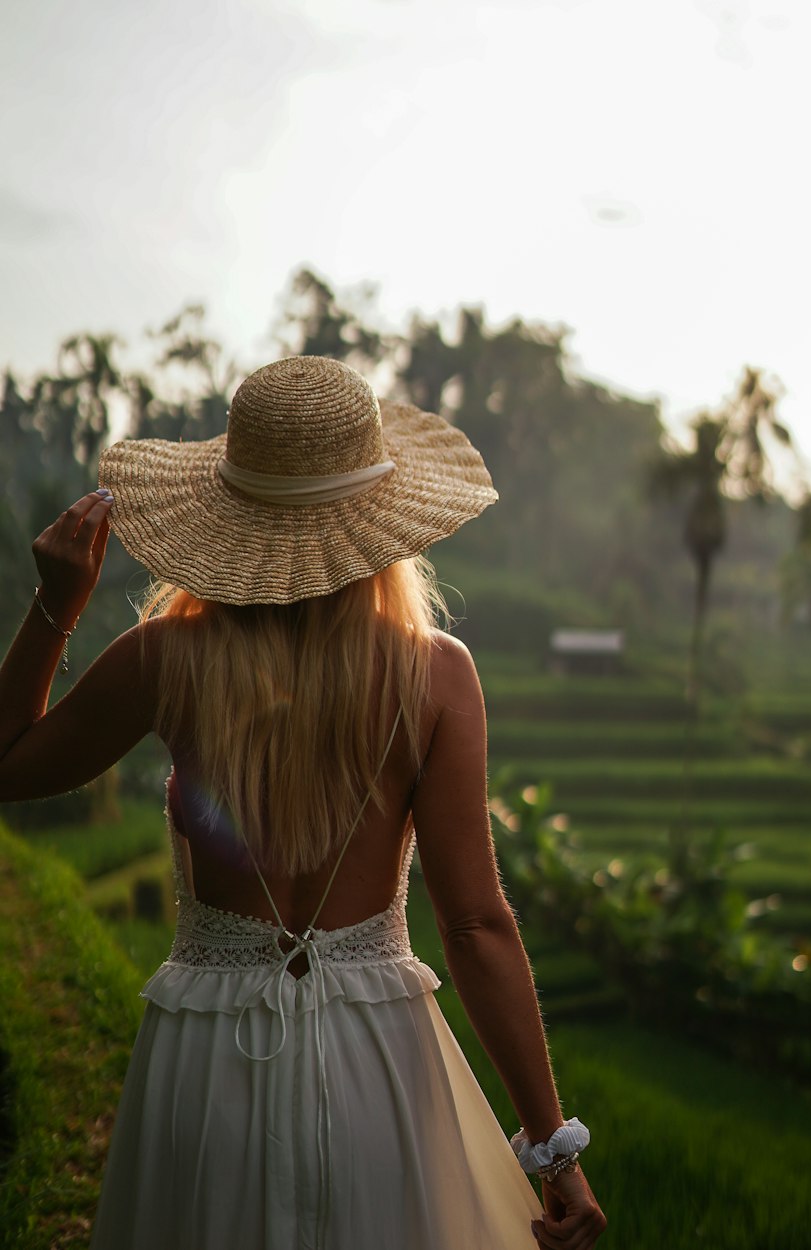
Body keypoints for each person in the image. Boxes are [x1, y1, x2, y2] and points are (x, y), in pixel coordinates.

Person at [0, 356, 607, 1250]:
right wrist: (554, 1154)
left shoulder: (167, 658)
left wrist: (55, 607)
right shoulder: (434, 676)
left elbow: (9, 765)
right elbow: (476, 924)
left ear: (230, 516)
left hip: (207, 1067)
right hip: (381, 1069)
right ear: (378, 522)